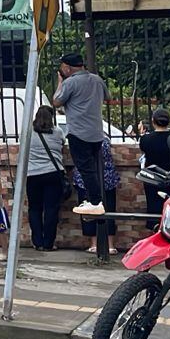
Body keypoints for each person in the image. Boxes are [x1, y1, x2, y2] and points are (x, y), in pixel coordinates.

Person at [54, 52, 110, 217]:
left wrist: (60, 83)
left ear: (67, 67)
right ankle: (92, 199)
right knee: (92, 168)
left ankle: (95, 202)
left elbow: (56, 101)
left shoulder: (70, 82)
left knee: (86, 169)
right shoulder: (97, 80)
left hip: (79, 132)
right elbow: (107, 97)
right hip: (97, 132)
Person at [25, 106, 68, 251]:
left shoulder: (28, 131)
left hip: (33, 175)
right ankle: (49, 243)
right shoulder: (57, 132)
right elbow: (63, 144)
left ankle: (37, 242)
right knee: (51, 209)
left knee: (35, 209)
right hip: (53, 173)